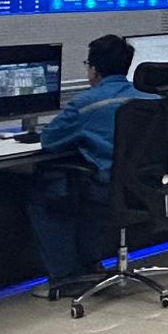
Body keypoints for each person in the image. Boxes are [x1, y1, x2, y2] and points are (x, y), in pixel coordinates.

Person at [28, 34, 153, 284]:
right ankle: (91, 262)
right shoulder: (153, 102)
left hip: (109, 190)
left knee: (47, 193)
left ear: (94, 69)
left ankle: (65, 277)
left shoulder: (85, 104)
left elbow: (49, 140)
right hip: (148, 188)